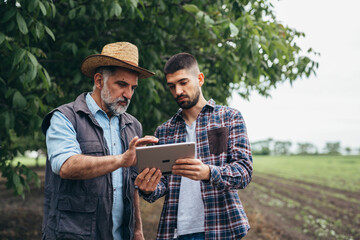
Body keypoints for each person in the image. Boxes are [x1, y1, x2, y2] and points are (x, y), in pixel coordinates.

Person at [41, 42, 158, 240]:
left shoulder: (133, 126)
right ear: (98, 80)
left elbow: (132, 186)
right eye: (122, 84)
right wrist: (121, 160)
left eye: (133, 88)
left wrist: (138, 231)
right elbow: (66, 166)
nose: (128, 95)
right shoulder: (64, 117)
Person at [135, 52, 253, 239]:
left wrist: (208, 172)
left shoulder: (229, 118)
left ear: (200, 79)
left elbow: (244, 172)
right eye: (172, 86)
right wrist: (148, 188)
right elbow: (163, 185)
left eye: (183, 83)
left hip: (221, 229)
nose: (178, 91)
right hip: (176, 231)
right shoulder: (164, 131)